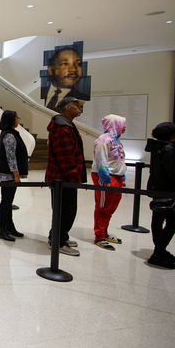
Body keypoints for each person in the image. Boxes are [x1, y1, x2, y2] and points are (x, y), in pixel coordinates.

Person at [45, 96, 86, 256]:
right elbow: (66, 158)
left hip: (65, 178)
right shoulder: (63, 128)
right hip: (63, 179)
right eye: (76, 105)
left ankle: (59, 236)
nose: (80, 108)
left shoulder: (66, 125)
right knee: (65, 211)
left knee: (66, 210)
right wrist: (74, 177)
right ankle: (58, 241)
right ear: (67, 107)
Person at [145, 122, 175, 269]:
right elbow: (172, 172)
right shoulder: (168, 149)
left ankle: (160, 251)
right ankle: (158, 252)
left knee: (158, 219)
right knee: (173, 223)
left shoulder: (156, 147)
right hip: (168, 189)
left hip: (158, 188)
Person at [91, 114, 126, 251]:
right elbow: (101, 160)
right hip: (105, 176)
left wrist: (122, 176)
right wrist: (105, 178)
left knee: (112, 205)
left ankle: (104, 232)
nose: (124, 128)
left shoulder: (115, 141)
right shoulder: (103, 140)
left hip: (116, 175)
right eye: (122, 124)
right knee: (103, 206)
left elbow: (119, 160)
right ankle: (99, 235)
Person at [0, 110, 28, 241]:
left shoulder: (11, 133)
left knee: (8, 202)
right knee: (6, 201)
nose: (18, 120)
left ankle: (9, 226)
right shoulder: (9, 135)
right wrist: (16, 174)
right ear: (11, 120)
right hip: (8, 175)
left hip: (10, 174)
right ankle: (1, 228)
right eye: (16, 118)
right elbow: (11, 157)